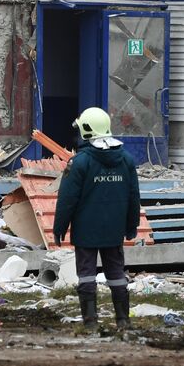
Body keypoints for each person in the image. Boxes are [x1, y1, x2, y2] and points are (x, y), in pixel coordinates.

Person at [52, 106, 141, 338]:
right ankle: (123, 321)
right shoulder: (127, 160)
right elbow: (134, 197)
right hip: (114, 231)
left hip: (86, 232)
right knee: (117, 275)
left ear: (87, 131)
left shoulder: (79, 163)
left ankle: (91, 322)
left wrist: (59, 228)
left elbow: (67, 200)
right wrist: (131, 226)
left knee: (87, 276)